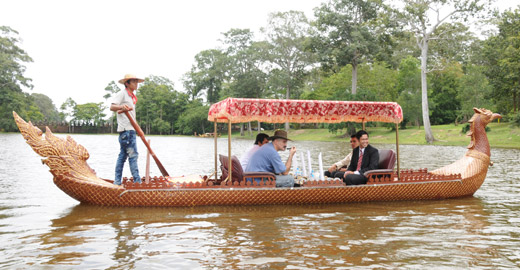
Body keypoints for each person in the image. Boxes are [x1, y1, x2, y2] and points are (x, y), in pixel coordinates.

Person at [110, 74, 144, 185]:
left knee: (123, 156)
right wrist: (121, 107)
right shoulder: (122, 94)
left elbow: (132, 117)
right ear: (127, 83)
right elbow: (112, 107)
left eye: (136, 82)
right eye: (133, 82)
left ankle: (117, 182)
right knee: (133, 155)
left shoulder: (131, 97)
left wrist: (138, 130)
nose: (136, 84)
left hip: (131, 130)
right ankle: (137, 182)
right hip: (126, 131)